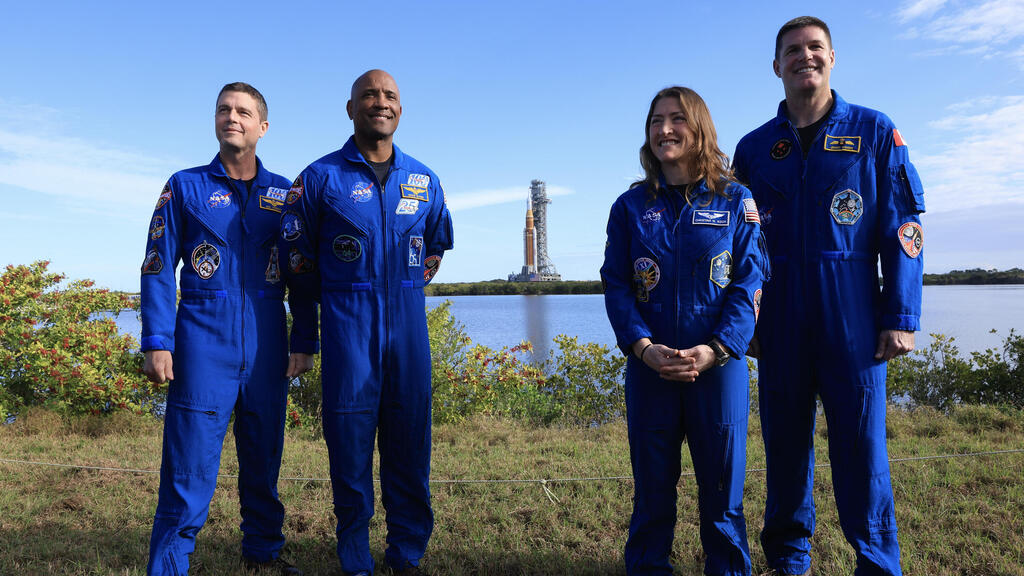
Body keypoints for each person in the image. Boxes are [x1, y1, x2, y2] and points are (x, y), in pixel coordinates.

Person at [732, 16, 925, 576]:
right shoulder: (754, 148)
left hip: (853, 313)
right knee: (785, 448)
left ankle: (877, 562)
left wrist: (901, 314)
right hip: (780, 318)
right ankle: (789, 560)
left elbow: (904, 229)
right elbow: (737, 246)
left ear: (833, 58)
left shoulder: (874, 131)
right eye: (792, 50)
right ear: (776, 66)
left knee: (862, 450)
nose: (805, 57)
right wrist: (745, 323)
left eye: (815, 47)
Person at [282, 69, 454, 576]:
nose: (381, 102)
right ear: (350, 108)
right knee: (350, 449)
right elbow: (296, 261)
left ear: (400, 108)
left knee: (411, 445)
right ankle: (356, 557)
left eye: (390, 96)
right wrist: (310, 330)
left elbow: (435, 246)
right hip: (348, 330)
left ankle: (407, 553)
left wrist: (403, 286)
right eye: (370, 95)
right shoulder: (319, 178)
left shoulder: (424, 180)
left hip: (408, 330)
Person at [141, 82, 309, 575]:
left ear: (263, 126)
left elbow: (301, 271)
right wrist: (157, 340)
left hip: (267, 342)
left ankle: (263, 554)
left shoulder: (286, 195)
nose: (231, 117)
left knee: (264, 461)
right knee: (188, 468)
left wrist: (304, 339)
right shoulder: (184, 186)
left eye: (243, 111)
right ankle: (169, 565)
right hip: (202, 342)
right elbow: (156, 266)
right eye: (223, 109)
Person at [601, 86, 769, 576]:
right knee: (652, 492)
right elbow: (616, 284)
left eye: (677, 119)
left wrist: (717, 348)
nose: (665, 129)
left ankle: (728, 569)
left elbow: (751, 281)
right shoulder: (630, 206)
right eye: (656, 120)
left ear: (699, 129)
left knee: (722, 494)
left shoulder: (735, 200)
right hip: (651, 369)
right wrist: (643, 347)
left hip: (717, 368)